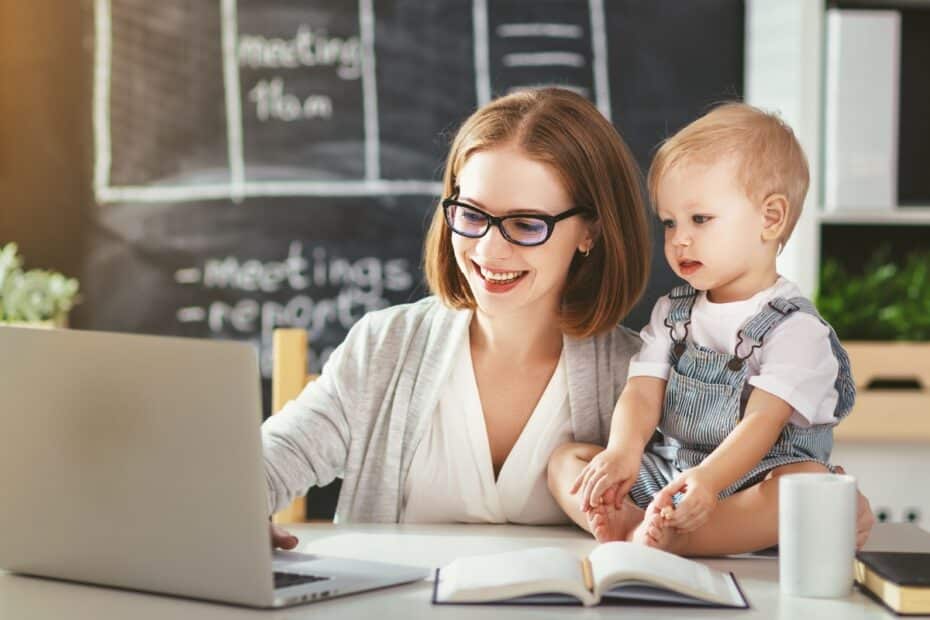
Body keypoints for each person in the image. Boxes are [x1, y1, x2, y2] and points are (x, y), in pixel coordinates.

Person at [264, 87, 652, 548]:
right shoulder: (386, 345)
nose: (488, 249)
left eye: (526, 225)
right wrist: (237, 508)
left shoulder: (641, 377)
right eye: (471, 214)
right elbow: (274, 457)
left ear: (591, 231)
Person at [547, 102, 876, 556]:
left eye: (700, 219)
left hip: (750, 484)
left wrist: (708, 480)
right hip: (673, 472)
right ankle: (636, 522)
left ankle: (675, 537)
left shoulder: (796, 330)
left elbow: (762, 422)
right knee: (567, 460)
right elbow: (642, 393)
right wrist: (622, 452)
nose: (679, 238)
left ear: (771, 218)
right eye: (669, 223)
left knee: (808, 484)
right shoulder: (673, 312)